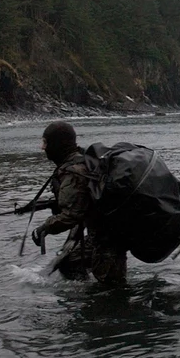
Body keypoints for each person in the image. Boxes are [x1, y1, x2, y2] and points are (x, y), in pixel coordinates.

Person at [30, 121, 127, 285]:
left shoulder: (74, 171)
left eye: (45, 142)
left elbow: (71, 215)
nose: (42, 147)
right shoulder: (83, 160)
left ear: (56, 144)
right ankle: (84, 297)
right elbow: (84, 202)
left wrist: (44, 228)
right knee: (70, 262)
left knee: (111, 290)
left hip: (108, 239)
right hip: (105, 234)